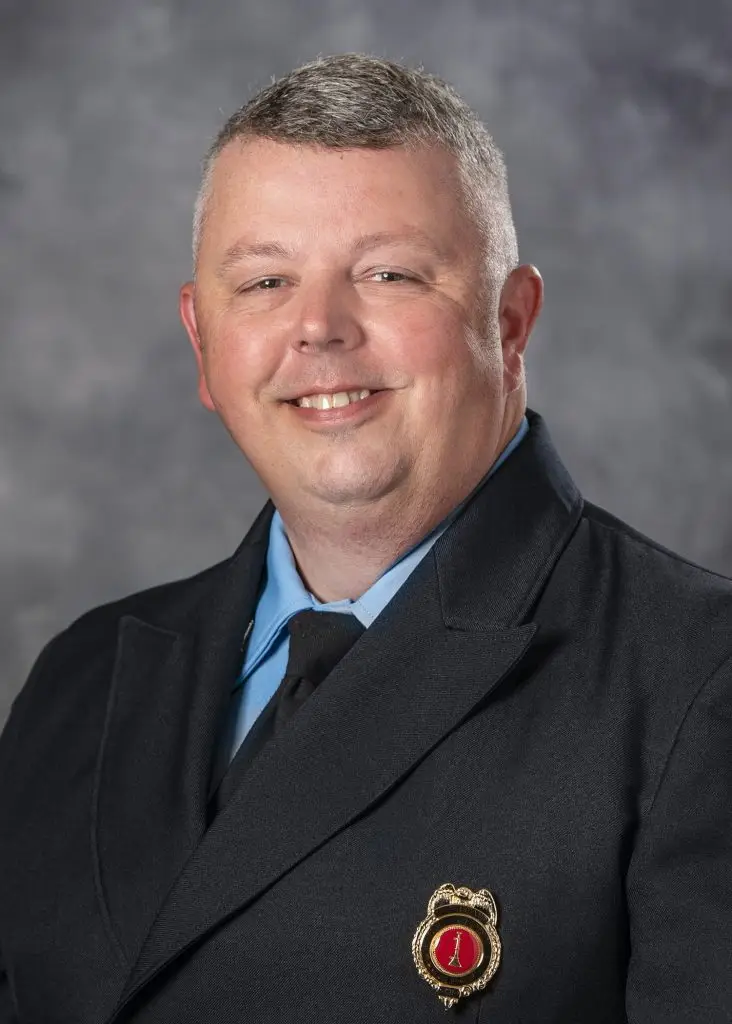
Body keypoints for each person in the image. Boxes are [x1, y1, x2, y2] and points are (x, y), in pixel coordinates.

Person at [0, 53, 730, 1024]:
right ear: (202, 343)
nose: (319, 329)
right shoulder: (80, 680)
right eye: (265, 281)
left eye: (389, 274)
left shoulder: (697, 679)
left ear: (511, 324)